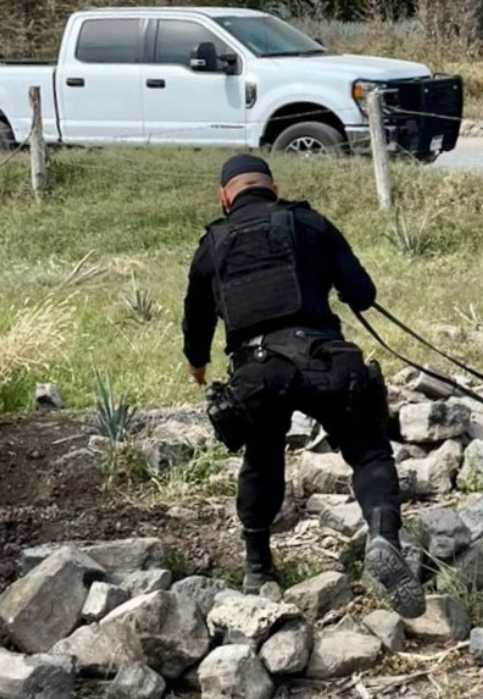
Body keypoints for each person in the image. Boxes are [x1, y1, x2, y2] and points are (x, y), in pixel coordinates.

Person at [182, 154, 425, 617]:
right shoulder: (307, 223)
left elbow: (196, 320)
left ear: (225, 198)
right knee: (369, 451)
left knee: (262, 457)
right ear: (274, 188)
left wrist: (198, 365)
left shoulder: (212, 244)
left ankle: (258, 568)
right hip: (325, 358)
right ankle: (383, 536)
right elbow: (363, 292)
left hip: (257, 372)